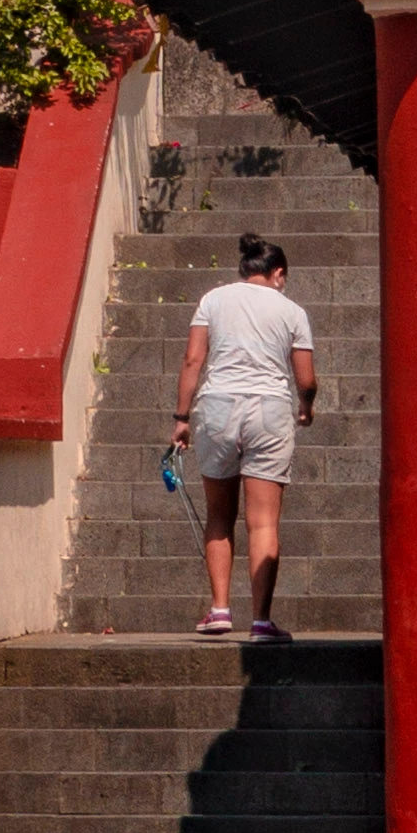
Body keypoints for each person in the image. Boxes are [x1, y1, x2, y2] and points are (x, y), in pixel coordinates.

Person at [172, 230, 317, 641]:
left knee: (219, 514)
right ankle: (260, 621)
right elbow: (304, 378)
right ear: (278, 273)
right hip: (269, 409)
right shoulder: (291, 311)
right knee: (263, 521)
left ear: (243, 271)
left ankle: (219, 610)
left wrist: (181, 417)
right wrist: (305, 406)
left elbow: (192, 359)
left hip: (217, 407)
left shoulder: (214, 299)